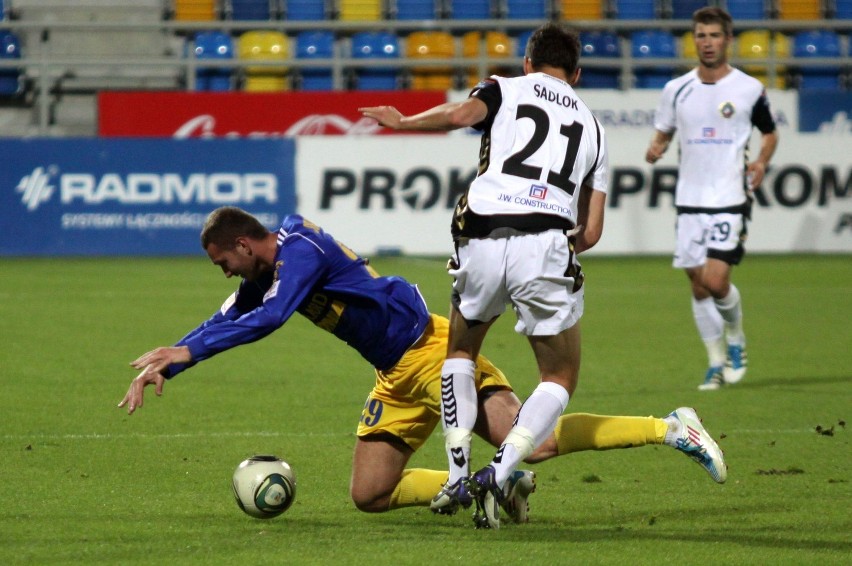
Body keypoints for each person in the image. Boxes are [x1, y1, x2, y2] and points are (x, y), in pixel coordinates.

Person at [119, 207, 727, 525]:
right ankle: (498, 481)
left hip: (431, 351)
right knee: (370, 493)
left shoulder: (299, 251)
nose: (224, 271)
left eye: (223, 261)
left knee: (534, 443)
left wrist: (190, 351)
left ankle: (671, 426)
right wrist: (171, 362)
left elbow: (270, 318)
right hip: (394, 373)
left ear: (245, 246)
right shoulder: (270, 266)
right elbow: (231, 312)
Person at [360, 23, 609, 528]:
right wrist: (552, 245)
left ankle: (457, 474)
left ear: (527, 62)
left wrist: (403, 121)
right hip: (545, 241)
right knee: (558, 376)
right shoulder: (595, 128)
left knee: (459, 353)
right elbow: (593, 232)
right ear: (576, 74)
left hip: (482, 230)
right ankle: (501, 470)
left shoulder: (504, 88)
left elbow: (458, 115)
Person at [645, 7, 779, 391]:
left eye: (714, 35)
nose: (707, 42)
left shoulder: (749, 89)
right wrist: (655, 148)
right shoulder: (676, 89)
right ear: (694, 39)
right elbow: (663, 133)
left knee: (717, 281)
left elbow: (769, 133)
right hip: (690, 198)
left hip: (730, 196)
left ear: (728, 40)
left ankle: (736, 339)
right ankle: (715, 362)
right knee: (698, 284)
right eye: (701, 35)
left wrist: (762, 161)